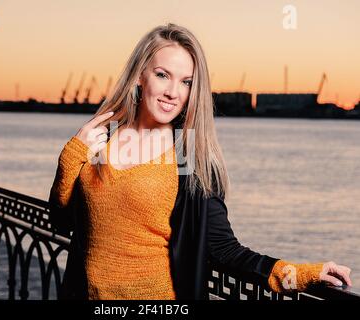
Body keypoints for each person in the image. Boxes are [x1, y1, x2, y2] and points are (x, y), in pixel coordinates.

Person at [49, 23, 352, 300]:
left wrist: (300, 274)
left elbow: (222, 249)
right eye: (162, 75)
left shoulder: (186, 156)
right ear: (140, 74)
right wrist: (72, 155)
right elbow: (62, 220)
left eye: (186, 82)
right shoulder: (101, 137)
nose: (173, 92)